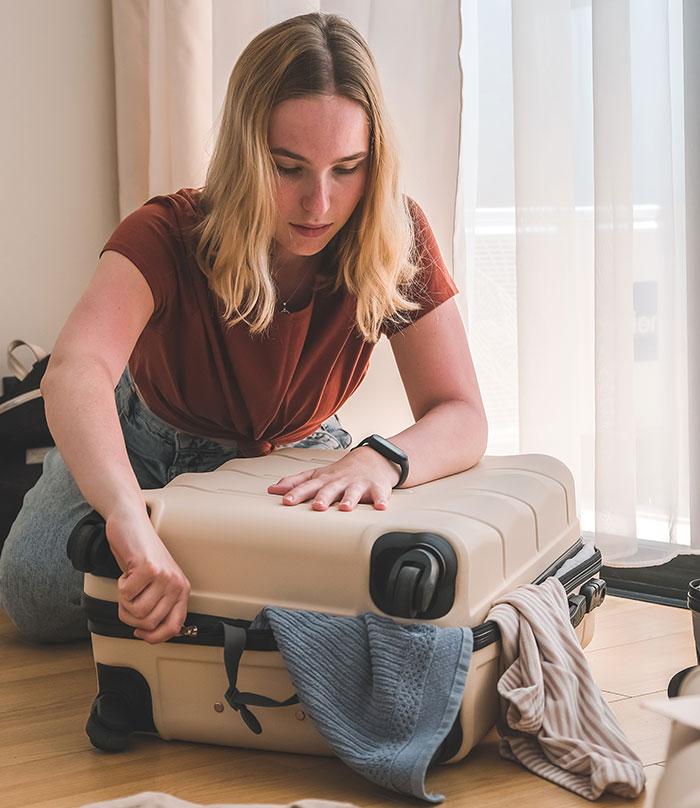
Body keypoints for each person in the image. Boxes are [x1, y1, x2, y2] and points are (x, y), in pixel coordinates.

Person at [0, 13, 486, 646]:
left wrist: (379, 458)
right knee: (35, 592)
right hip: (150, 440)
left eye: (347, 168)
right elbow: (76, 370)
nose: (320, 204)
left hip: (298, 452)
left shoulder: (396, 231)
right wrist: (127, 517)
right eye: (288, 167)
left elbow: (461, 413)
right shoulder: (166, 231)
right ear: (244, 153)